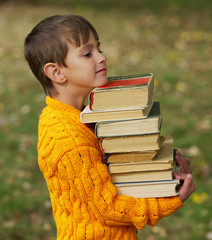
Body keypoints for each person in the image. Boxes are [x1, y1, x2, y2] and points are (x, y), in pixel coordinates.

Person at [24, 15, 195, 240]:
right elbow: (110, 208)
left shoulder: (79, 116)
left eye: (99, 49)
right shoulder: (68, 140)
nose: (102, 58)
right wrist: (172, 200)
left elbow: (113, 177)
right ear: (57, 72)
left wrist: (163, 178)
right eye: (87, 53)